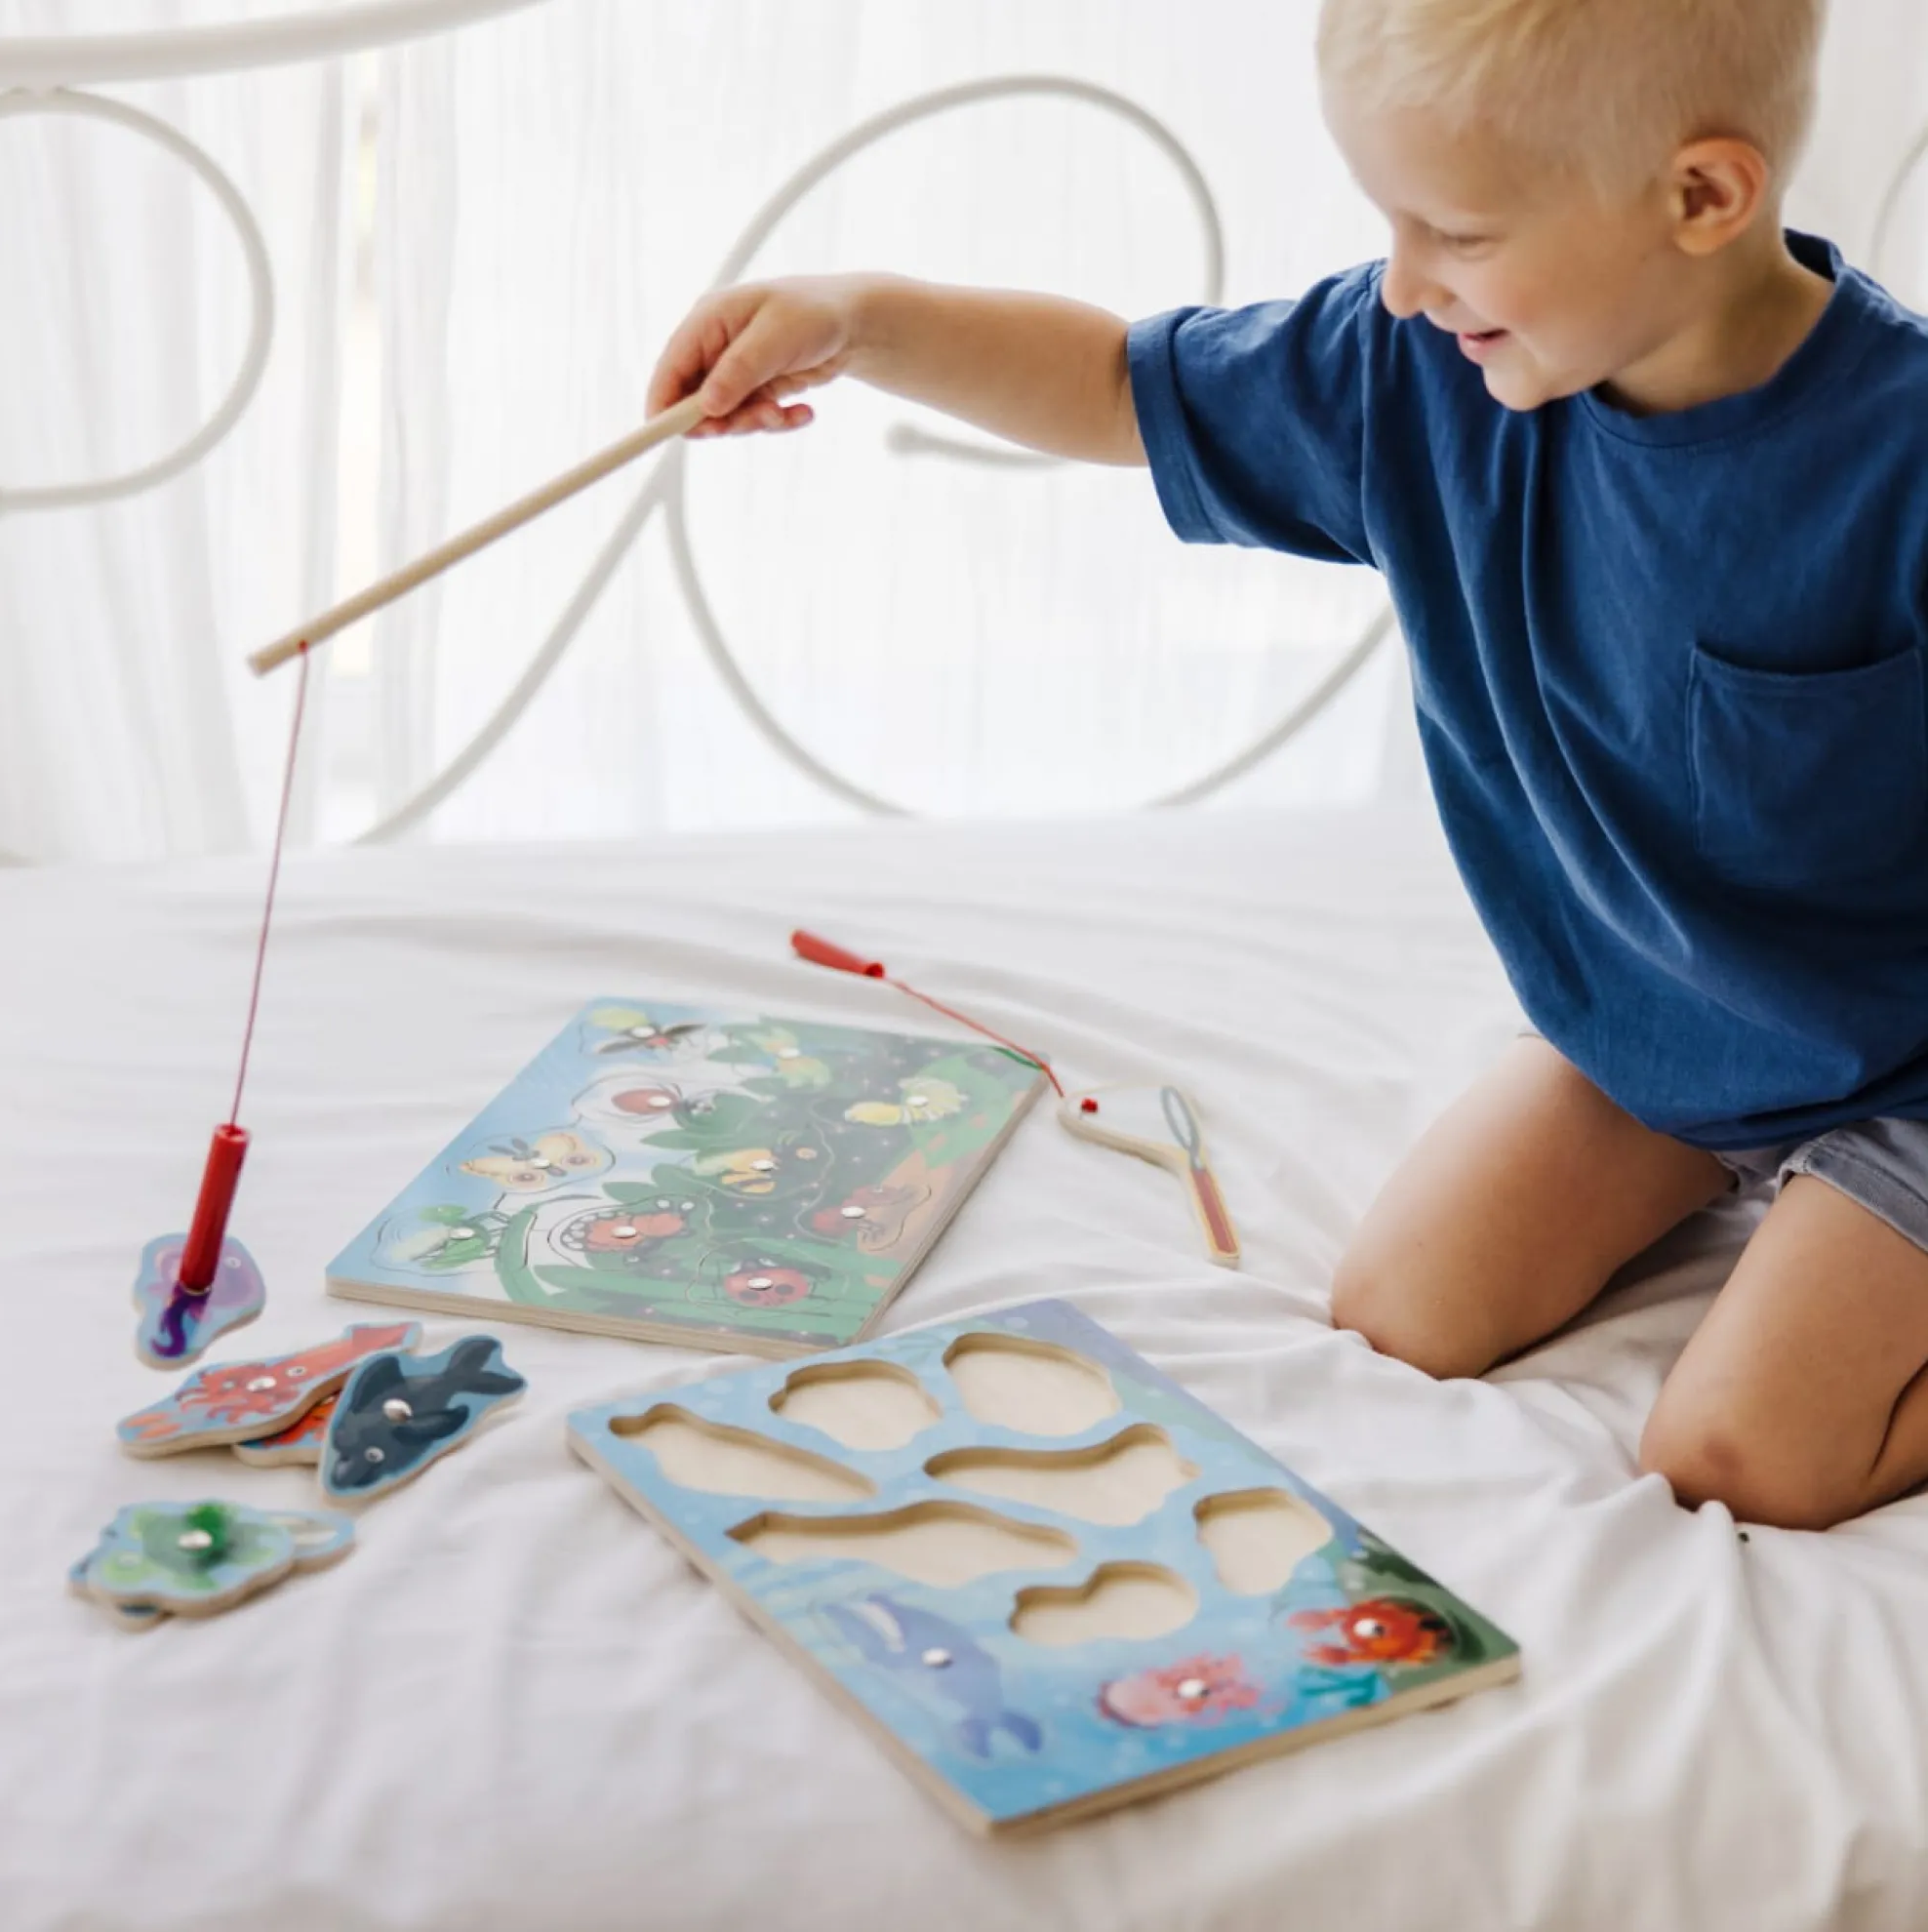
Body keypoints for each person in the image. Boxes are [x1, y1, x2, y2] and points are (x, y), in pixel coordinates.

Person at [648, 0, 1928, 1531]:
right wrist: (859, 321)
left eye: (1456, 232)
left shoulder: (1903, 455)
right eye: (1390, 222)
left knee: (1736, 1458)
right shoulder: (1419, 367)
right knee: (1403, 1310)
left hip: (1907, 1066)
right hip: (1657, 1028)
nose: (1404, 280)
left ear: (1702, 197)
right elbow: (1117, 386)